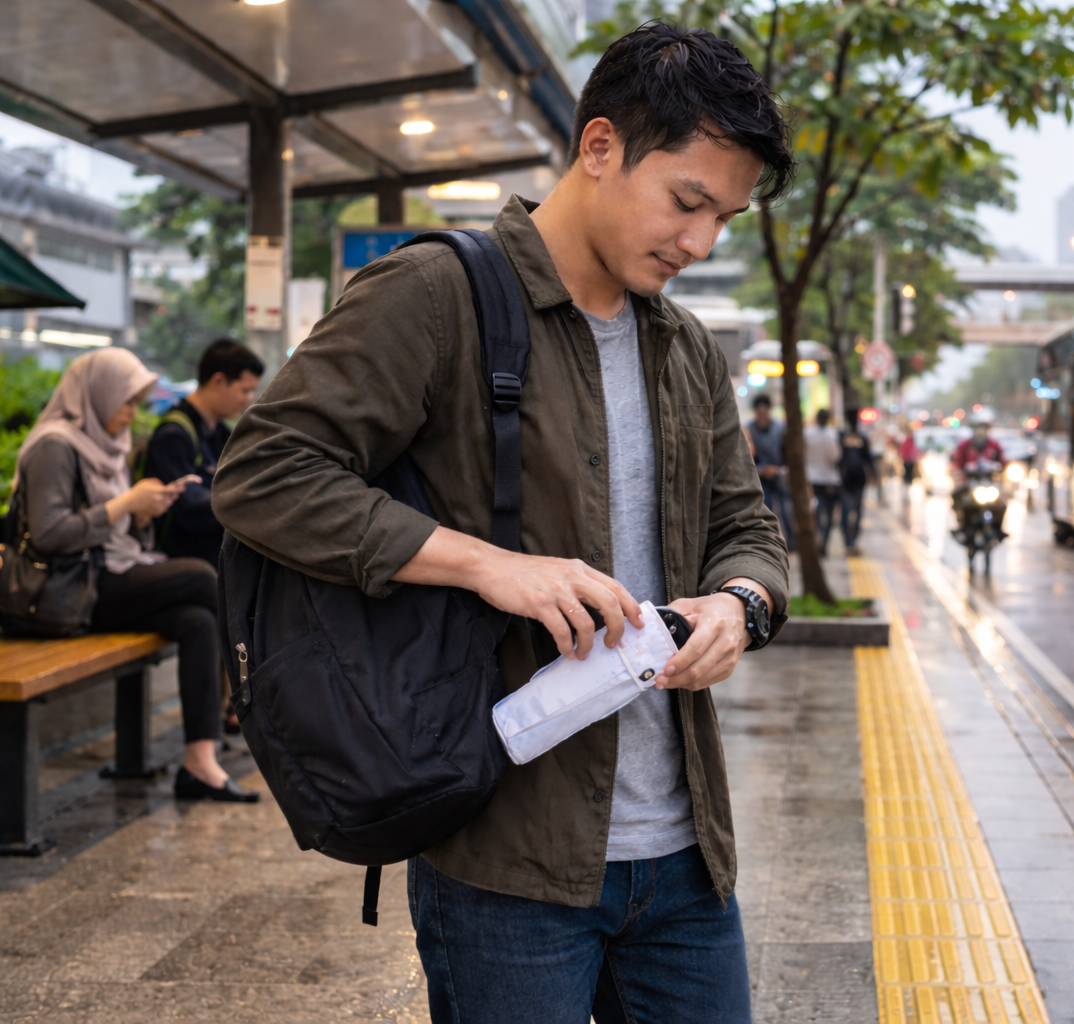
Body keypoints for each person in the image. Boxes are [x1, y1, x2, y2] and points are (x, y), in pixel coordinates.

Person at [212, 23, 792, 1024]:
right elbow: (263, 472)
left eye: (724, 218)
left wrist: (743, 602)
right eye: (688, 201)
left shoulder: (687, 347)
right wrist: (486, 565)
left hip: (689, 863)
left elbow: (749, 525)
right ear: (600, 146)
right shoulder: (440, 294)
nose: (699, 242)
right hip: (509, 862)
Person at [15, 348, 257, 802]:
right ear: (97, 394)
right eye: (126, 401)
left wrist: (142, 514)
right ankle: (248, 703)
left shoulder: (106, 446)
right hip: (68, 589)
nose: (132, 414)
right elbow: (48, 534)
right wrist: (124, 506)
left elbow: (114, 529)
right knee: (204, 579)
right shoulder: (55, 445)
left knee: (197, 621)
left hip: (106, 573)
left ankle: (199, 763)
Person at [142, 339, 264, 566]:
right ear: (219, 381)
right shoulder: (173, 435)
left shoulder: (220, 434)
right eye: (245, 390)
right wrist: (249, 509)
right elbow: (189, 507)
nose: (248, 399)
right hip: (184, 560)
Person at [746, 393, 795, 549]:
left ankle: (791, 542)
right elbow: (748, 457)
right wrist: (761, 470)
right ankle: (768, 542)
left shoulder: (779, 428)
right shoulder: (749, 430)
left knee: (786, 510)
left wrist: (780, 469)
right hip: (759, 476)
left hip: (779, 474)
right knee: (764, 509)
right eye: (759, 409)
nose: (762, 412)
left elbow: (786, 452)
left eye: (764, 409)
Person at [804, 407, 843, 554]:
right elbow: (835, 456)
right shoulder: (831, 434)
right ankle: (824, 542)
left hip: (811, 477)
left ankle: (818, 538)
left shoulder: (807, 432)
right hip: (830, 478)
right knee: (829, 512)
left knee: (816, 509)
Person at [838, 409, 876, 554]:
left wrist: (873, 474)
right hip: (845, 481)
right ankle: (848, 542)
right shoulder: (842, 436)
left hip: (859, 480)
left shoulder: (862, 437)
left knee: (858, 512)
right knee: (846, 511)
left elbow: (868, 458)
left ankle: (853, 542)